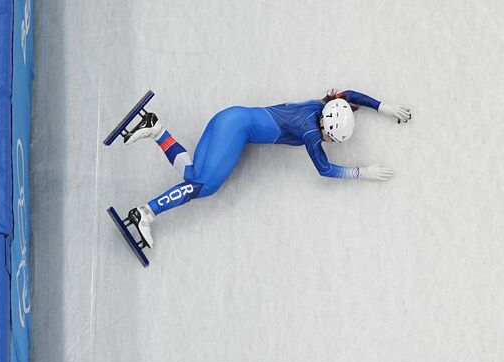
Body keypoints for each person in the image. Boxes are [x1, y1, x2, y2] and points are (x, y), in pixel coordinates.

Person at [122, 89, 412, 248]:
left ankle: (156, 129)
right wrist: (362, 172)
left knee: (193, 174)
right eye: (331, 138)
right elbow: (325, 170)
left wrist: (382, 106)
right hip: (236, 131)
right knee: (204, 187)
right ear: (325, 127)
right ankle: (145, 213)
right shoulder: (310, 133)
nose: (328, 142)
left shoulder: (320, 105)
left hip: (228, 117)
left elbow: (348, 95)